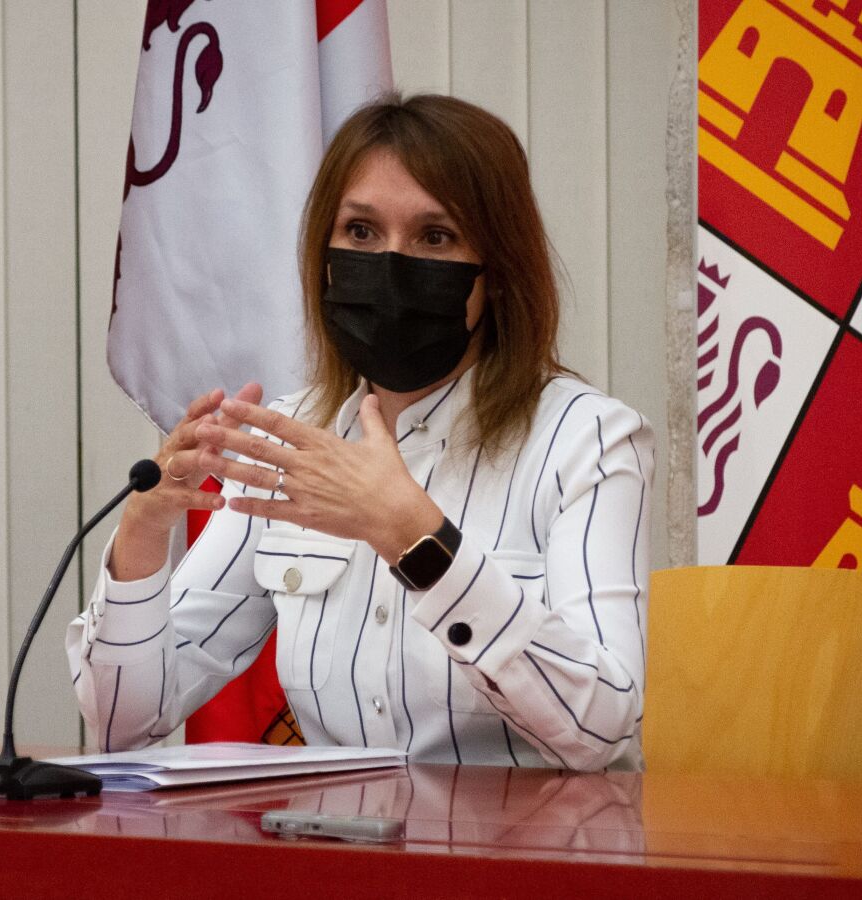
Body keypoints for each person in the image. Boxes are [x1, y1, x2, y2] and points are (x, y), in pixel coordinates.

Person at [66, 93, 653, 769]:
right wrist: (143, 536)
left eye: (435, 237)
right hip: (337, 832)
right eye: (362, 232)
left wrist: (415, 538)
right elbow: (125, 722)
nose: (391, 264)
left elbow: (600, 727)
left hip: (525, 834)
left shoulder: (588, 441)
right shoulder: (290, 441)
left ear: (499, 272)